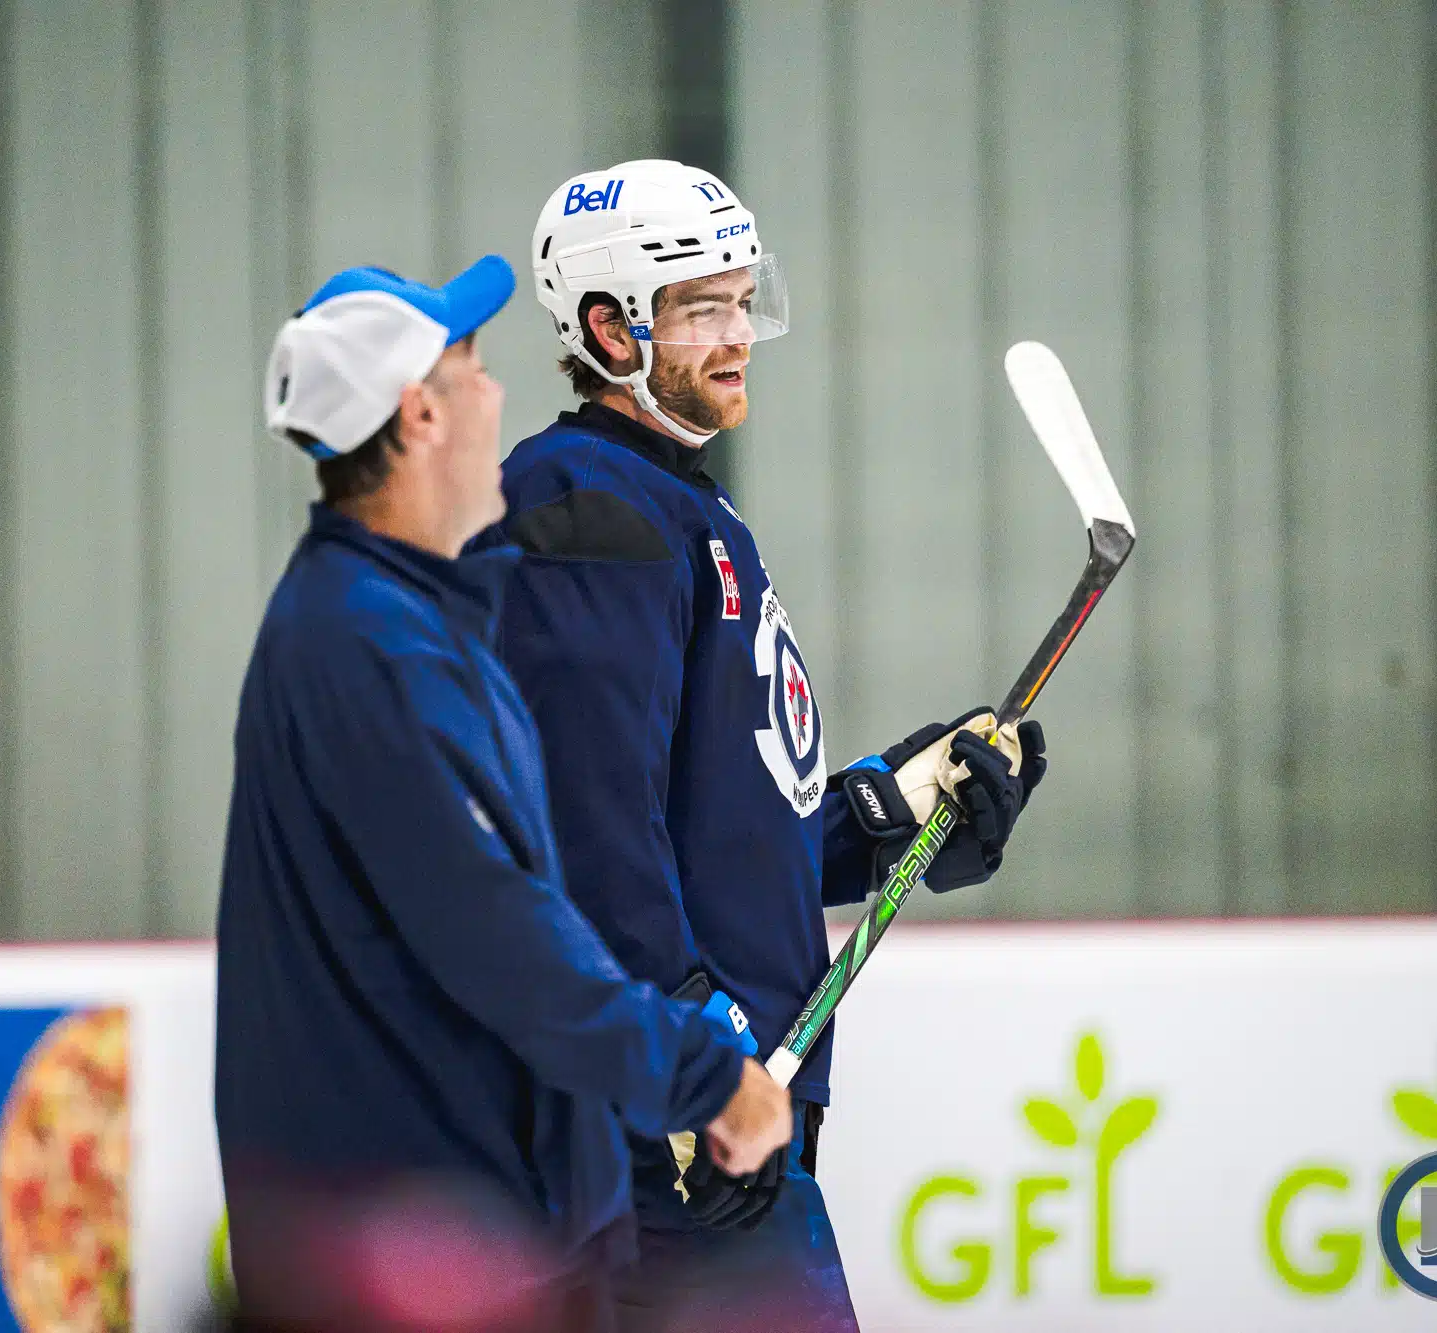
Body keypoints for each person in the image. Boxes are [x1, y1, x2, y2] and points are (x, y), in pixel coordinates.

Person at [481, 161, 1049, 1331]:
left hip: (710, 1123)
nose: (740, 335)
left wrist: (897, 803)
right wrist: (688, 1057)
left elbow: (724, 835)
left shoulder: (686, 511)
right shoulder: (582, 507)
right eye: (702, 309)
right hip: (655, 1131)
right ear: (609, 328)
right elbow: (587, 828)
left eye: (743, 301)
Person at [214, 254, 793, 1333]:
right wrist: (702, 1072)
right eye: (472, 367)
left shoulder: (417, 623)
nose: (497, 392)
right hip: (417, 1256)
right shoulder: (369, 650)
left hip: (491, 1237)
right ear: (420, 414)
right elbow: (502, 936)